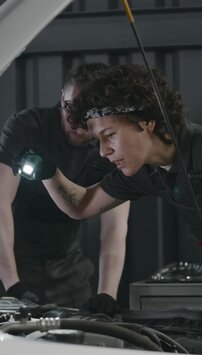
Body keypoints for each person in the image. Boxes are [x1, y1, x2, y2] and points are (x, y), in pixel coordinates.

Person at [0, 63, 130, 315]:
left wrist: (107, 293)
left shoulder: (110, 147)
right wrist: (11, 283)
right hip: (10, 259)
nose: (74, 118)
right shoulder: (27, 127)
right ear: (62, 96)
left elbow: (114, 227)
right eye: (70, 106)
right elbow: (0, 202)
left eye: (86, 111)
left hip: (67, 267)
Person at [40, 63, 202, 251]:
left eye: (109, 135)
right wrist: (47, 172)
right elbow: (82, 205)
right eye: (97, 140)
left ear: (146, 122)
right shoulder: (144, 173)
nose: (102, 151)